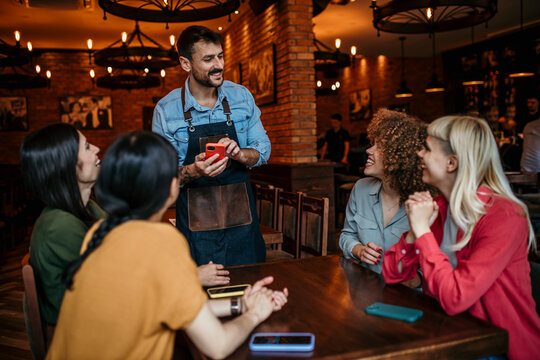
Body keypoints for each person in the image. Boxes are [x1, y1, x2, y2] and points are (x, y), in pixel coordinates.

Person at [47, 131, 288, 359]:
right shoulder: (163, 240)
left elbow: (172, 307)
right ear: (171, 187)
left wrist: (242, 304)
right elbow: (218, 346)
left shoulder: (99, 232)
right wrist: (257, 313)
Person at [382, 115, 540, 360]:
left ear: (452, 163)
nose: (419, 154)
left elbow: (455, 298)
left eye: (427, 148)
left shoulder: (504, 215)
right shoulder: (437, 208)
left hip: (496, 347)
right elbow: (392, 273)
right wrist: (415, 232)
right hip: (450, 334)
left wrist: (423, 230)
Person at [153, 25, 271, 266]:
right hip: (197, 231)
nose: (219, 65)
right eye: (208, 59)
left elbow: (263, 150)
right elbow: (161, 176)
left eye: (220, 56)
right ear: (186, 63)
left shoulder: (241, 97)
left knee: (249, 290)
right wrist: (194, 171)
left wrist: (240, 153)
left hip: (243, 226)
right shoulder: (167, 110)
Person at [20, 123, 105, 326]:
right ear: (65, 165)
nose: (97, 149)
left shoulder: (88, 208)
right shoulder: (59, 226)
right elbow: (106, 290)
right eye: (86, 146)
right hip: (85, 334)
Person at [339, 109, 431, 278]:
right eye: (372, 143)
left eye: (379, 146)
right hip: (365, 288)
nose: (369, 150)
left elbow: (429, 267)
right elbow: (347, 234)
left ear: (400, 157)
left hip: (405, 297)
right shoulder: (360, 189)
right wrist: (358, 250)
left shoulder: (423, 205)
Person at [520, 95, 540, 172]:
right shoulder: (531, 125)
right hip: (536, 172)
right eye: (528, 102)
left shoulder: (528, 125)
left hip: (525, 169)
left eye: (532, 103)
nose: (530, 105)